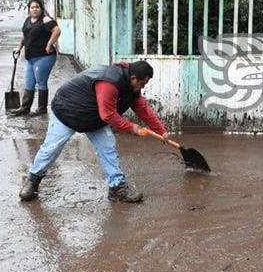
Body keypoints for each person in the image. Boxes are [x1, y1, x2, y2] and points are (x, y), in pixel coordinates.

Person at [18, 60, 169, 203]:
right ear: (134, 77)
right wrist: (132, 128)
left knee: (108, 148)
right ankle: (33, 180)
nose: (142, 88)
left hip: (93, 117)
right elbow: (108, 114)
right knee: (52, 148)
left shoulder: (131, 84)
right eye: (142, 84)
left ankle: (117, 188)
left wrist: (161, 131)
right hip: (67, 110)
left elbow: (142, 108)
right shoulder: (109, 82)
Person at [9, 0, 61, 116]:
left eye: (37, 7)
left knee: (41, 82)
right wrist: (19, 47)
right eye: (32, 7)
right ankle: (25, 108)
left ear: (41, 9)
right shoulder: (28, 21)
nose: (35, 9)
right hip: (30, 58)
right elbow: (24, 35)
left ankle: (42, 109)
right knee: (29, 82)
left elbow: (57, 31)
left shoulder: (45, 19)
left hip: (44, 57)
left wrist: (49, 44)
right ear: (29, 9)